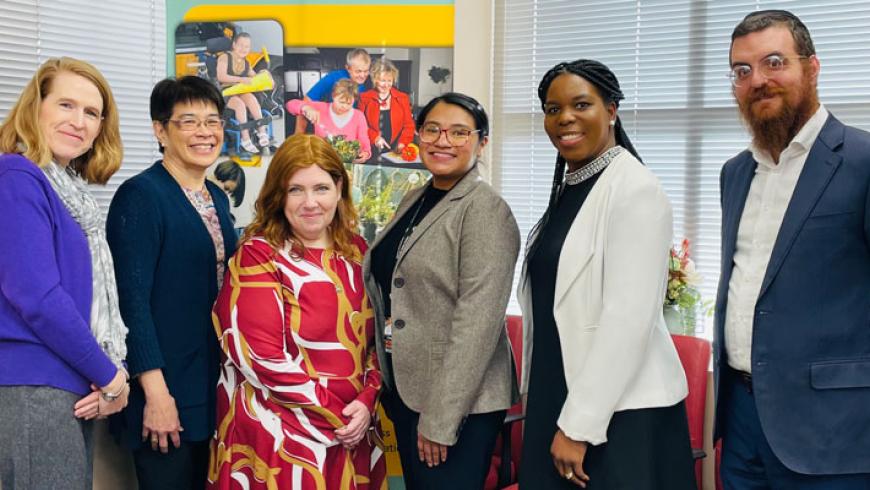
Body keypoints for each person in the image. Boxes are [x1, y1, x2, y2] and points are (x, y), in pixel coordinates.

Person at [518, 59, 694, 490]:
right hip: (560, 392)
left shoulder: (635, 189)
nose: (565, 119)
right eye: (553, 109)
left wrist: (579, 425)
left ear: (611, 109)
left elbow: (628, 319)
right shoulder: (574, 186)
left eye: (581, 104)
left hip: (615, 414)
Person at [715, 10, 870, 488]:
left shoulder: (862, 162)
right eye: (742, 70)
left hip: (832, 430)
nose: (758, 80)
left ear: (812, 67)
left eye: (774, 62)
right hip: (741, 420)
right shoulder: (735, 173)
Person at [207, 134, 385, 490]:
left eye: (321, 188)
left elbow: (377, 340)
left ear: (339, 188)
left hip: (353, 433)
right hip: (278, 438)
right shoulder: (258, 255)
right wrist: (338, 418)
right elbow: (261, 358)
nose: (310, 203)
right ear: (278, 195)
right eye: (295, 190)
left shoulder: (357, 251)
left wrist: (366, 402)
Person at [363, 92, 520, 489]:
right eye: (432, 129)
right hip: (408, 390)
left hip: (454, 403)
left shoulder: (485, 210)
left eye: (459, 132)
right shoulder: (418, 197)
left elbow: (478, 322)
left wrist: (441, 420)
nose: (443, 141)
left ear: (481, 142)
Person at [0, 57, 130, 489]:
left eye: (92, 112)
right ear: (35, 108)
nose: (79, 122)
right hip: (33, 388)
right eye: (66, 105)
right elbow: (37, 295)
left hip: (65, 386)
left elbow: (87, 298)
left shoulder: (70, 193)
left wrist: (112, 372)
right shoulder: (19, 175)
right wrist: (111, 376)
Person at [106, 76, 237, 490]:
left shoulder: (216, 196)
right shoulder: (141, 195)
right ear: (160, 130)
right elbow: (132, 303)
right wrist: (156, 395)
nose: (205, 132)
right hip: (165, 391)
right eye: (189, 121)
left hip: (211, 387)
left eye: (212, 121)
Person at [287, 78, 372, 163]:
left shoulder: (359, 116)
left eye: (349, 103)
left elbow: (364, 139)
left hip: (347, 164)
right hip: (321, 161)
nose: (344, 107)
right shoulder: (320, 108)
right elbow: (290, 104)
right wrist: (305, 108)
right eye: (341, 102)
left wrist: (366, 153)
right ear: (333, 96)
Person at [216, 32, 271, 154]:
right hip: (226, 91)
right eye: (241, 45)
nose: (243, 49)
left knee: (252, 99)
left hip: (240, 90)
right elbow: (221, 76)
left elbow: (254, 77)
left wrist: (263, 76)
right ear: (234, 45)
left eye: (247, 46)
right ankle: (245, 139)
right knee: (240, 105)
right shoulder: (225, 57)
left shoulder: (246, 62)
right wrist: (241, 79)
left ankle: (262, 132)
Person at [295, 48, 371, 134]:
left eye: (366, 71)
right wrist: (298, 135)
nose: (362, 75)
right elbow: (306, 101)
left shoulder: (368, 83)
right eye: (358, 71)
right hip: (330, 127)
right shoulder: (333, 78)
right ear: (348, 68)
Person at [359, 57, 415, 155]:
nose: (386, 85)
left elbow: (408, 125)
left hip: (397, 149)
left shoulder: (403, 98)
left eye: (389, 80)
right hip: (372, 148)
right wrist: (375, 138)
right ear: (374, 80)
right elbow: (361, 125)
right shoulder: (364, 98)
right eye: (382, 80)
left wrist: (403, 143)